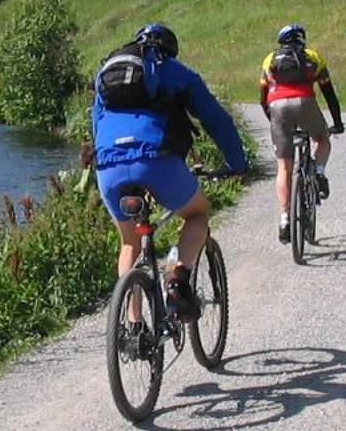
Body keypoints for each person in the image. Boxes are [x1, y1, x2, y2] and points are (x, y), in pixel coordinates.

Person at [89, 24, 247, 320]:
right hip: (156, 159)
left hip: (108, 164)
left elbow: (96, 126)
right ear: (169, 49)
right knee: (197, 213)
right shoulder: (176, 72)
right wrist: (236, 163)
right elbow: (216, 119)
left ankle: (133, 326)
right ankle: (176, 278)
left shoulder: (104, 75)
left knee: (128, 242)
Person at [258, 24, 344, 243]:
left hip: (278, 107)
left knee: (284, 167)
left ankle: (285, 218)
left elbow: (262, 97)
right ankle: (319, 173)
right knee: (322, 140)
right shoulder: (312, 57)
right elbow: (329, 94)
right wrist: (337, 123)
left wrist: (273, 120)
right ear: (302, 40)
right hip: (305, 102)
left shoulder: (269, 59)